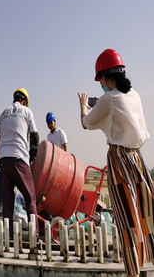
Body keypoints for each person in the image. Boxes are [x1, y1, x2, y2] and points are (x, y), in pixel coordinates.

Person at [78, 48, 154, 277]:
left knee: (127, 221)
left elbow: (86, 123)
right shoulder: (135, 95)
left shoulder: (107, 99)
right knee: (147, 213)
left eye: (100, 78)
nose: (99, 82)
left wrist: (83, 104)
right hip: (137, 159)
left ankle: (133, 272)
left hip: (120, 160)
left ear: (105, 75)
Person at [0, 88, 39, 239]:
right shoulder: (27, 112)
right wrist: (32, 157)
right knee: (30, 197)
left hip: (4, 159)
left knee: (8, 200)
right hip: (19, 157)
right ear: (24, 101)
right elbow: (34, 136)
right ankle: (35, 237)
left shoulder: (3, 114)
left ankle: (8, 238)